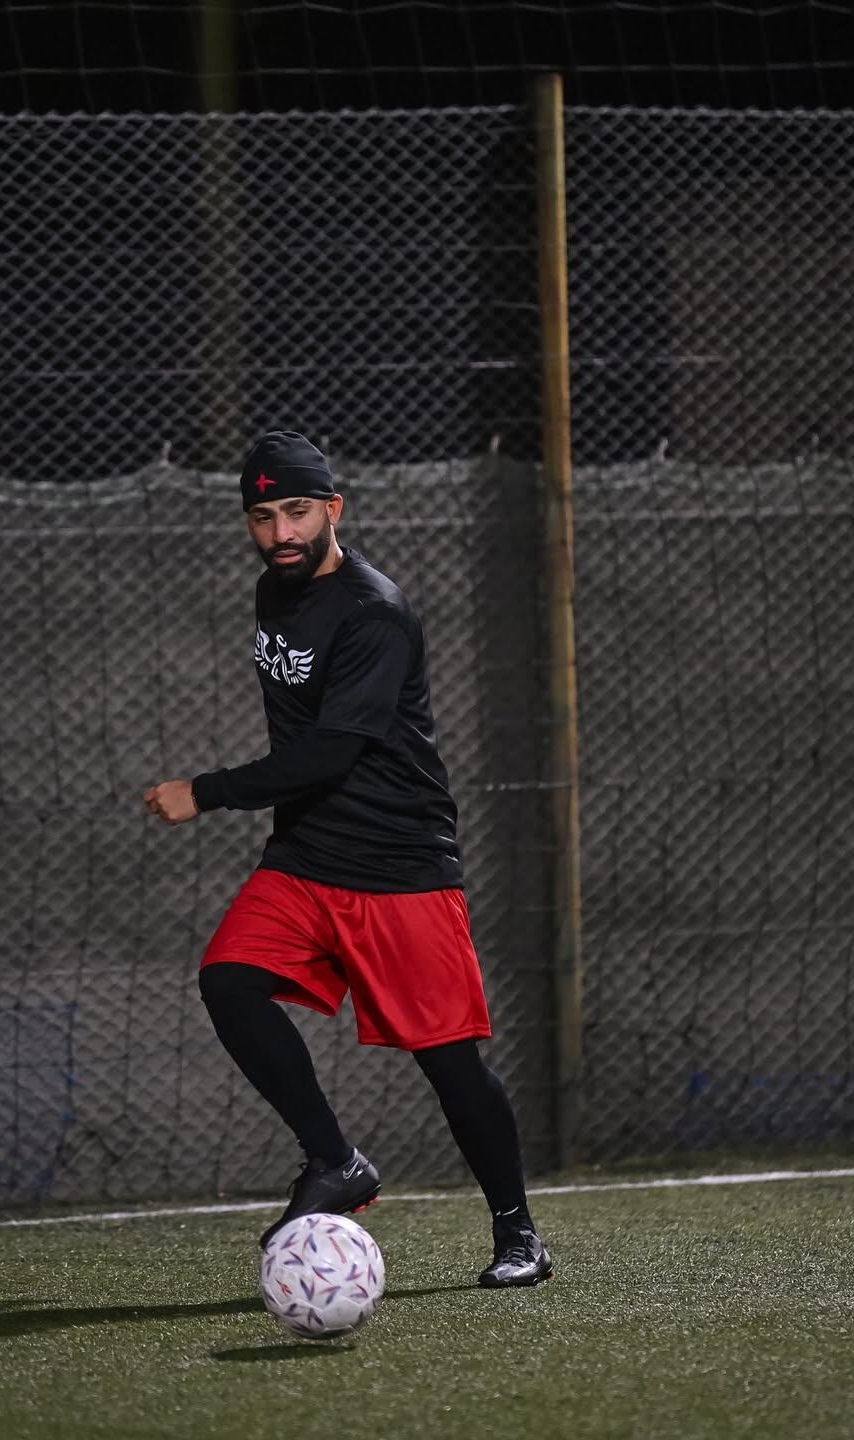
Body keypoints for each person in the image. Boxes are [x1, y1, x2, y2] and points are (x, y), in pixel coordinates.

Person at [144, 430, 552, 1287]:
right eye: (262, 516)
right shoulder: (274, 589)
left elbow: (331, 754)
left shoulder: (374, 612)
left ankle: (519, 1233)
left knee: (450, 1064)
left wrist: (205, 790)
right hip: (306, 856)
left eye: (297, 511)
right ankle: (335, 1160)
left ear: (334, 508)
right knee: (228, 981)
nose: (281, 532)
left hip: (399, 866)